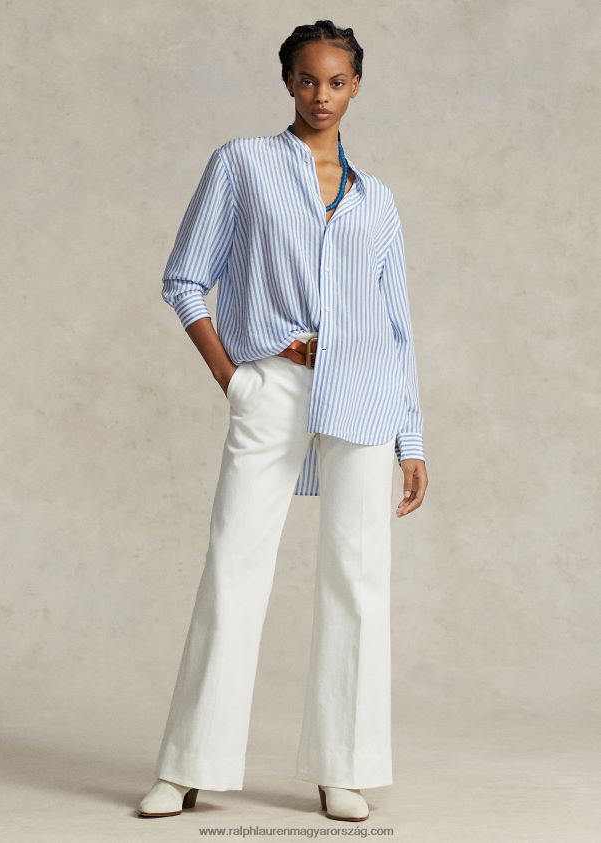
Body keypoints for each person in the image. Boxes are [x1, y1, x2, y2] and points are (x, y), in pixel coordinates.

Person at [138, 18, 428, 823]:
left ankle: (345, 765)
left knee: (357, 576)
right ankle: (187, 764)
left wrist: (411, 437)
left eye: (336, 82)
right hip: (273, 381)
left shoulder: (378, 201)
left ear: (356, 86)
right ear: (288, 81)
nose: (320, 96)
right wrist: (232, 378)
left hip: (365, 391)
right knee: (234, 564)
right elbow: (184, 279)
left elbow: (397, 325)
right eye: (307, 79)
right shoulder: (243, 164)